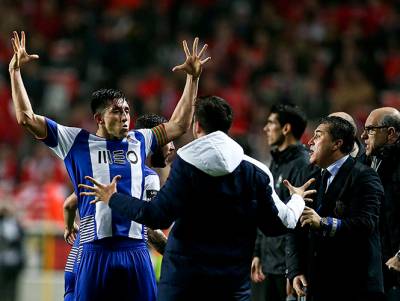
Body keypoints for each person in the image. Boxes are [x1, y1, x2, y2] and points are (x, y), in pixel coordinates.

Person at [9, 30, 210, 301]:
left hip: (137, 250)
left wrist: (192, 78)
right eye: (117, 110)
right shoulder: (76, 141)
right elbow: (26, 118)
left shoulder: (140, 139)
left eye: (127, 110)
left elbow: (180, 124)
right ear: (99, 118)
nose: (125, 116)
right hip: (95, 251)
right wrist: (15, 72)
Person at [80, 95, 316, 301]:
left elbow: (156, 216)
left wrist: (113, 198)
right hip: (231, 287)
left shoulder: (185, 166)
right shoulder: (254, 171)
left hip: (184, 285)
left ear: (197, 126)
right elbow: (279, 224)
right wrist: (297, 200)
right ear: (228, 126)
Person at [287, 116, 384, 301]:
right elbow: (296, 228)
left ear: (336, 144)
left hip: (354, 286)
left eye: (318, 135)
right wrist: (295, 269)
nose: (310, 141)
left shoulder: (364, 176)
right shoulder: (310, 177)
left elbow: (366, 224)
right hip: (318, 284)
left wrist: (324, 223)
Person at [251, 104, 308, 301]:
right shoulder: (275, 161)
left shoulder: (303, 164)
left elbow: (300, 219)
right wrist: (258, 252)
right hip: (269, 262)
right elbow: (265, 209)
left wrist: (292, 270)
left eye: (271, 123)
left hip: (285, 266)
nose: (266, 128)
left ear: (286, 128)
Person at [361, 107, 400, 301]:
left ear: (391, 133)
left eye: (370, 130)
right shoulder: (369, 162)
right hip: (378, 268)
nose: (363, 136)